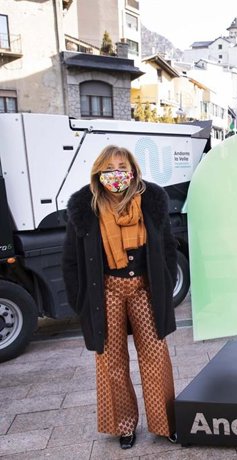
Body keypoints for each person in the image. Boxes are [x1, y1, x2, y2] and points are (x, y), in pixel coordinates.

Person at [62, 145, 178, 449]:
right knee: (111, 361)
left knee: (155, 356)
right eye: (110, 167)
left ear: (133, 170)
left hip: (145, 289)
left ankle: (166, 423)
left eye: (122, 166)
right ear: (99, 172)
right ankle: (124, 426)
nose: (117, 173)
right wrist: (81, 303)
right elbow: (71, 260)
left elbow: (166, 247)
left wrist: (165, 287)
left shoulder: (152, 201)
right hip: (107, 291)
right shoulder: (84, 208)